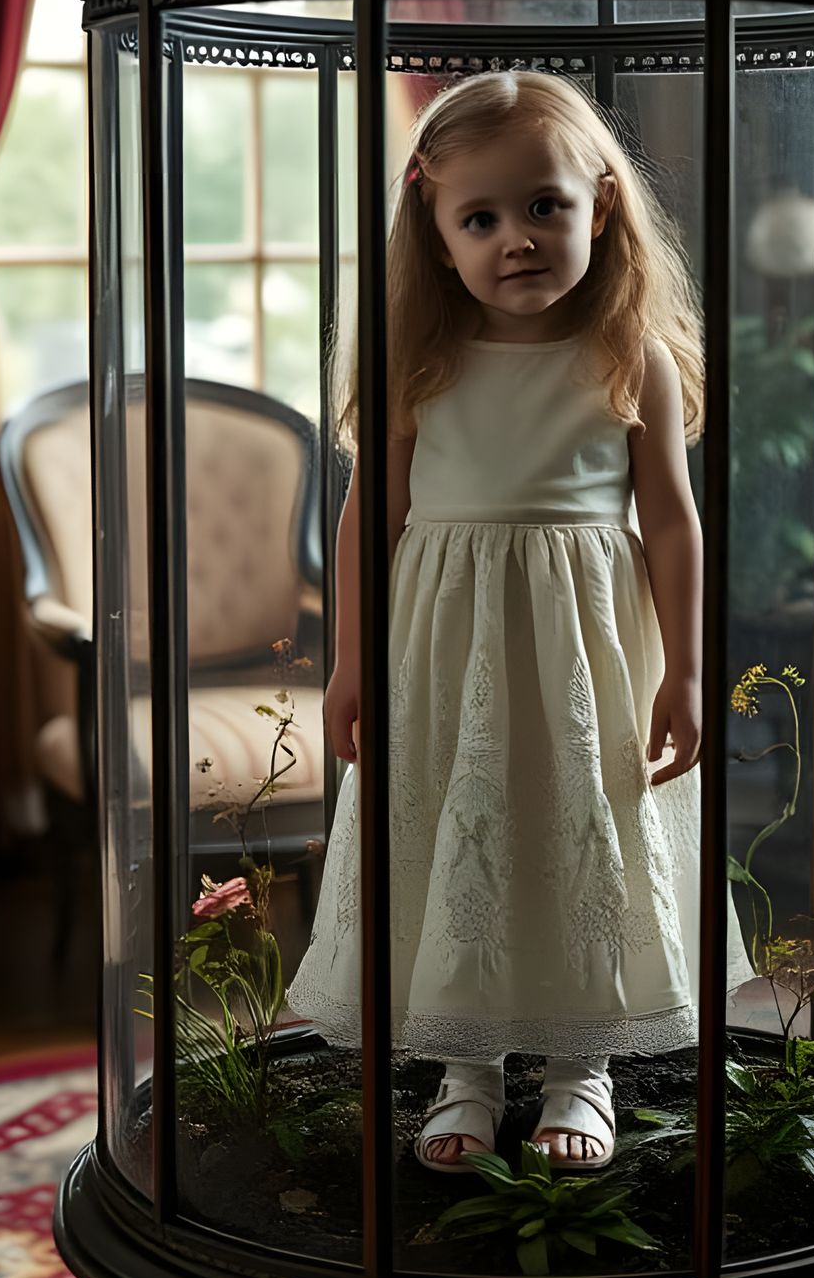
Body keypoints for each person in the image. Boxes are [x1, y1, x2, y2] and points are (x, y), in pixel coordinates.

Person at [287, 69, 750, 1173]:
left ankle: (579, 1065)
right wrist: (350, 663)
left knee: (575, 835)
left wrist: (685, 671)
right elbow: (370, 517)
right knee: (463, 834)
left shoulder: (625, 355)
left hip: (589, 648)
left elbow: (673, 526)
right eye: (480, 217)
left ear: (600, 202)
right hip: (447, 646)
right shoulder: (421, 362)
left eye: (544, 205)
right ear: (436, 232)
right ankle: (465, 1069)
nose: (518, 238)